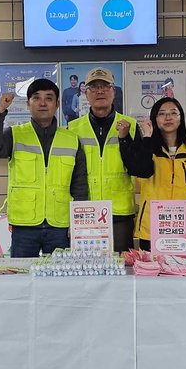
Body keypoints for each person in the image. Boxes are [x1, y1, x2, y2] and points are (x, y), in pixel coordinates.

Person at [0, 79, 87, 258]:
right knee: (22, 274)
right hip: (24, 226)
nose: (42, 103)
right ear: (28, 103)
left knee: (61, 274)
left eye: (48, 98)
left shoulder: (71, 139)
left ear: (57, 104)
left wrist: (78, 222)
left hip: (60, 226)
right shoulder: (15, 134)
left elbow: (80, 185)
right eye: (36, 98)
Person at [68, 67, 140, 252]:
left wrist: (126, 138)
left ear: (113, 91)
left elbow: (138, 167)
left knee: (122, 264)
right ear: (86, 93)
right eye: (94, 87)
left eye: (105, 86)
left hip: (119, 212)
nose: (100, 91)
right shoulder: (73, 128)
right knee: (86, 264)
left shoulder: (131, 126)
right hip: (86, 211)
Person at [122, 98, 186, 252]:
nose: (168, 118)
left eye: (173, 113)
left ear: (181, 118)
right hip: (151, 230)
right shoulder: (146, 148)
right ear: (154, 119)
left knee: (182, 268)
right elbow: (143, 170)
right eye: (162, 114)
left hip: (184, 229)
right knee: (152, 268)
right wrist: (147, 137)